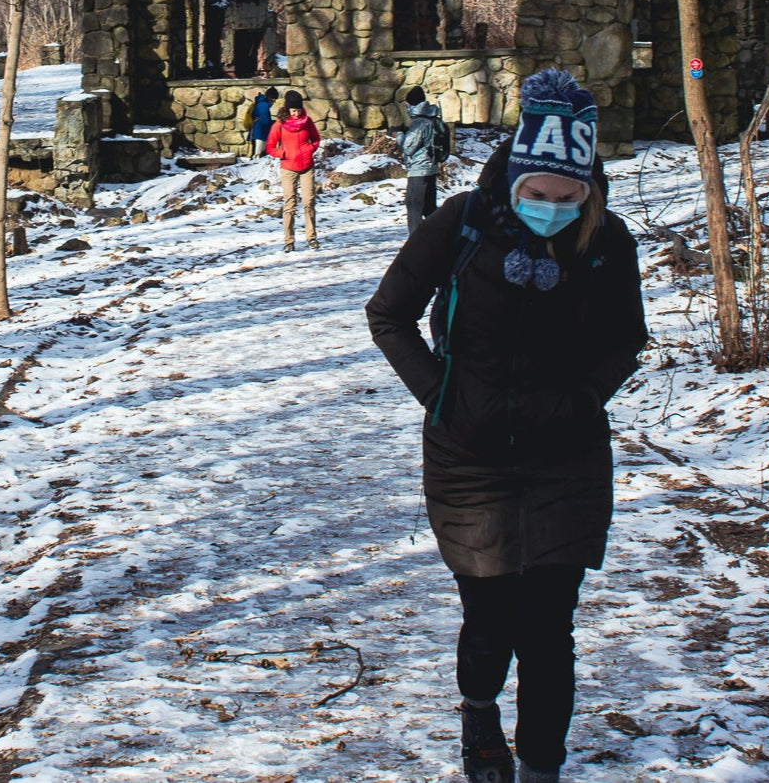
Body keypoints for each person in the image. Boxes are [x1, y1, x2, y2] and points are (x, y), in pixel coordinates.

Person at [365, 69, 646, 783]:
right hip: (468, 457)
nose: (550, 210)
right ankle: (477, 705)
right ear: (514, 179)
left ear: (586, 189)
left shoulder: (605, 239)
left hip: (567, 456)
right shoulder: (458, 224)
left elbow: (625, 337)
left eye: (567, 197)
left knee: (548, 630)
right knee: (490, 618)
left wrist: (584, 400)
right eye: (536, 196)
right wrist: (440, 394)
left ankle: (541, 768)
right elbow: (387, 313)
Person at [266, 88, 320, 251]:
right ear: (287, 110)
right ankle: (289, 240)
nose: (296, 114)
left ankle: (311, 238)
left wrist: (310, 149)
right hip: (288, 168)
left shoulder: (307, 121)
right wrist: (282, 153)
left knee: (308, 202)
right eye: (293, 110)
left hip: (307, 167)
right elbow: (269, 147)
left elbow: (316, 139)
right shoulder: (279, 125)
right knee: (290, 204)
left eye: (298, 110)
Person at [396, 84, 449, 235]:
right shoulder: (433, 119)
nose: (405, 107)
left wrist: (398, 135)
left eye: (407, 104)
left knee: (414, 207)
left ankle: (416, 243)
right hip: (431, 169)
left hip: (418, 170)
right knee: (429, 207)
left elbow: (408, 147)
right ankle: (440, 236)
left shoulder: (419, 122)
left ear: (412, 104)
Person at [249, 86, 280, 159]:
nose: (274, 102)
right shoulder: (264, 105)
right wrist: (274, 123)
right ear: (271, 98)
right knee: (257, 155)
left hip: (257, 132)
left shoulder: (260, 103)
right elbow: (265, 121)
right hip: (260, 133)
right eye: (274, 100)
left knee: (257, 153)